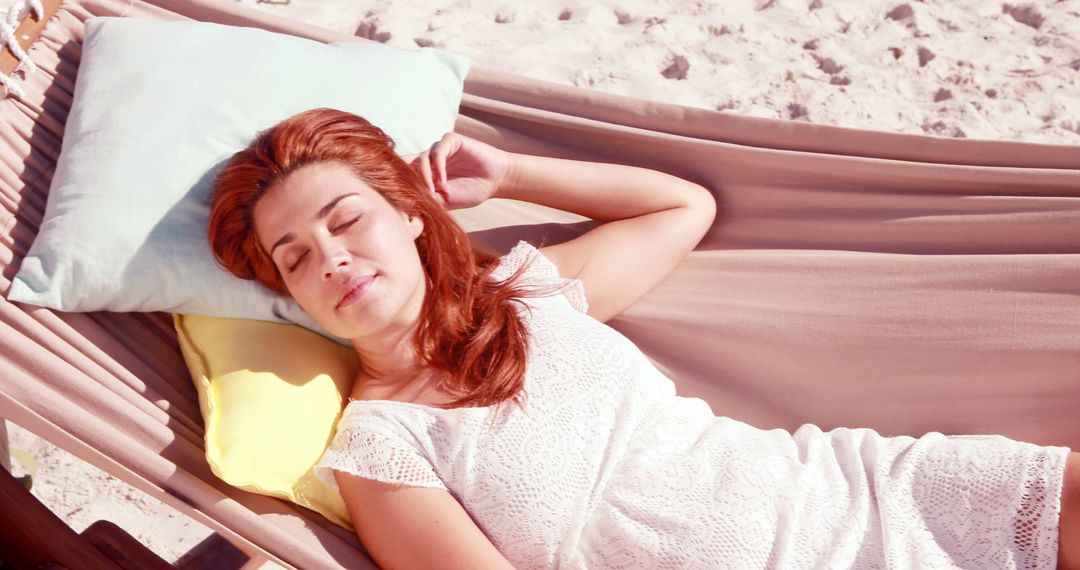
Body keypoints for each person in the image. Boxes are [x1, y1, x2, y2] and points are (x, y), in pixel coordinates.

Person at [208, 107, 1079, 569]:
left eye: (346, 219)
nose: (332, 258)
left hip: (867, 495)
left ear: (408, 214)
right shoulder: (382, 447)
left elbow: (681, 208)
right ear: (292, 296)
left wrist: (510, 173)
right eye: (295, 257)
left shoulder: (531, 295)